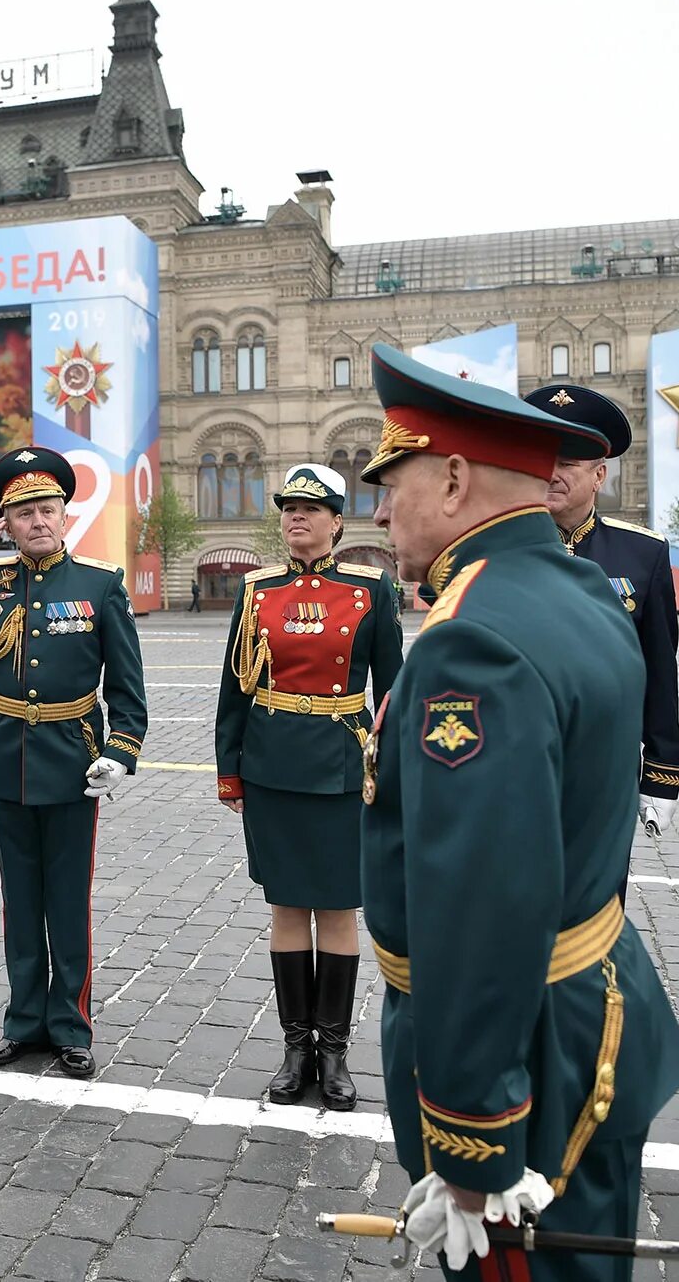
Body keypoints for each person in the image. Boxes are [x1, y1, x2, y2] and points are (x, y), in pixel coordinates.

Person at [359, 344, 679, 1279]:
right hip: (592, 1013)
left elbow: (479, 901)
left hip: (528, 1057)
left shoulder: (473, 639)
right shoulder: (572, 586)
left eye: (393, 481)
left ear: (456, 478)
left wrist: (472, 1147)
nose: (379, 509)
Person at [0, 446, 147, 1079]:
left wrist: (121, 753)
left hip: (74, 761)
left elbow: (127, 687)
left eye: (48, 510)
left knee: (68, 900)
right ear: (6, 526)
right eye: (24, 515)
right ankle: (23, 1022)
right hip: (8, 761)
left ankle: (70, 1026)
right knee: (21, 899)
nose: (38, 522)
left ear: (66, 516)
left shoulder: (100, 586)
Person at [214, 463, 402, 1109]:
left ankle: (336, 1051)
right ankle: (297, 1048)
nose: (297, 517)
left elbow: (392, 692)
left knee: (339, 910)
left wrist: (392, 773)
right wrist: (228, 767)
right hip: (273, 767)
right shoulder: (256, 590)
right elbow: (234, 689)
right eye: (290, 508)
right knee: (288, 907)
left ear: (336, 521)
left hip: (343, 770)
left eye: (310, 509)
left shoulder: (373, 590)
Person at [531, 384, 679, 838]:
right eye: (542, 462)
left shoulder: (643, 554)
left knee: (601, 899)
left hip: (604, 766)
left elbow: (659, 669)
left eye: (568, 464)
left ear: (600, 476)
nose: (552, 474)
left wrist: (661, 773)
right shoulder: (493, 549)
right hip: (514, 759)